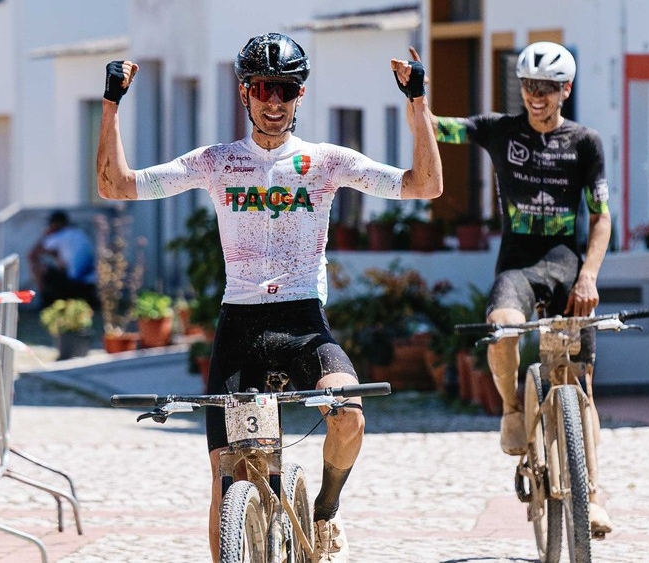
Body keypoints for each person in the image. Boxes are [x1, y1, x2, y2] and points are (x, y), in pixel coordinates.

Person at [95, 33, 442, 563]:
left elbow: (424, 185)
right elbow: (116, 186)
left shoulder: (326, 161)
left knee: (349, 414)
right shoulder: (216, 161)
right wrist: (111, 104)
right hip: (240, 327)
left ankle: (325, 509)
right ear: (244, 93)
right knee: (226, 477)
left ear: (301, 94)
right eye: (262, 88)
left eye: (285, 88)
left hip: (303, 323)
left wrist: (416, 101)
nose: (273, 101)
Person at [424, 42, 613, 535]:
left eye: (546, 87)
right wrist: (414, 95)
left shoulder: (586, 143)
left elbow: (602, 218)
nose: (536, 95)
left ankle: (593, 496)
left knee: (581, 386)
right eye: (529, 85)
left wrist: (589, 275)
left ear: (565, 90)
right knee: (503, 329)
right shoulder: (500, 130)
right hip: (517, 266)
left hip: (568, 268)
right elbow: (438, 129)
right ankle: (511, 408)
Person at [27, 210, 99, 310]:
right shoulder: (79, 233)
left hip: (74, 285)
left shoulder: (59, 236)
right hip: (90, 286)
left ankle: (44, 301)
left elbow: (32, 254)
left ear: (57, 224)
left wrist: (45, 235)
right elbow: (61, 258)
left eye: (51, 224)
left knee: (38, 267)